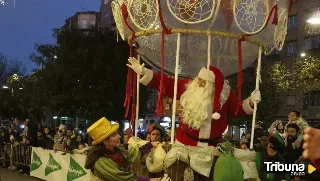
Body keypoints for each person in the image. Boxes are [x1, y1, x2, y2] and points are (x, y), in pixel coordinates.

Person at [127, 57, 261, 147]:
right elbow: (167, 84)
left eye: (203, 82)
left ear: (214, 87)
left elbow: (237, 110)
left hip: (212, 147)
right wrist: (144, 72)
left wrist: (250, 102)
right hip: (185, 145)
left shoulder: (225, 96)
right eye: (199, 79)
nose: (199, 83)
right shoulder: (190, 87)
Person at [84, 117, 160, 181]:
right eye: (114, 135)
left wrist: (150, 144)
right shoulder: (101, 161)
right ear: (105, 141)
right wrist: (148, 180)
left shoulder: (118, 150)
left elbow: (131, 156)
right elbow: (124, 178)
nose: (119, 136)